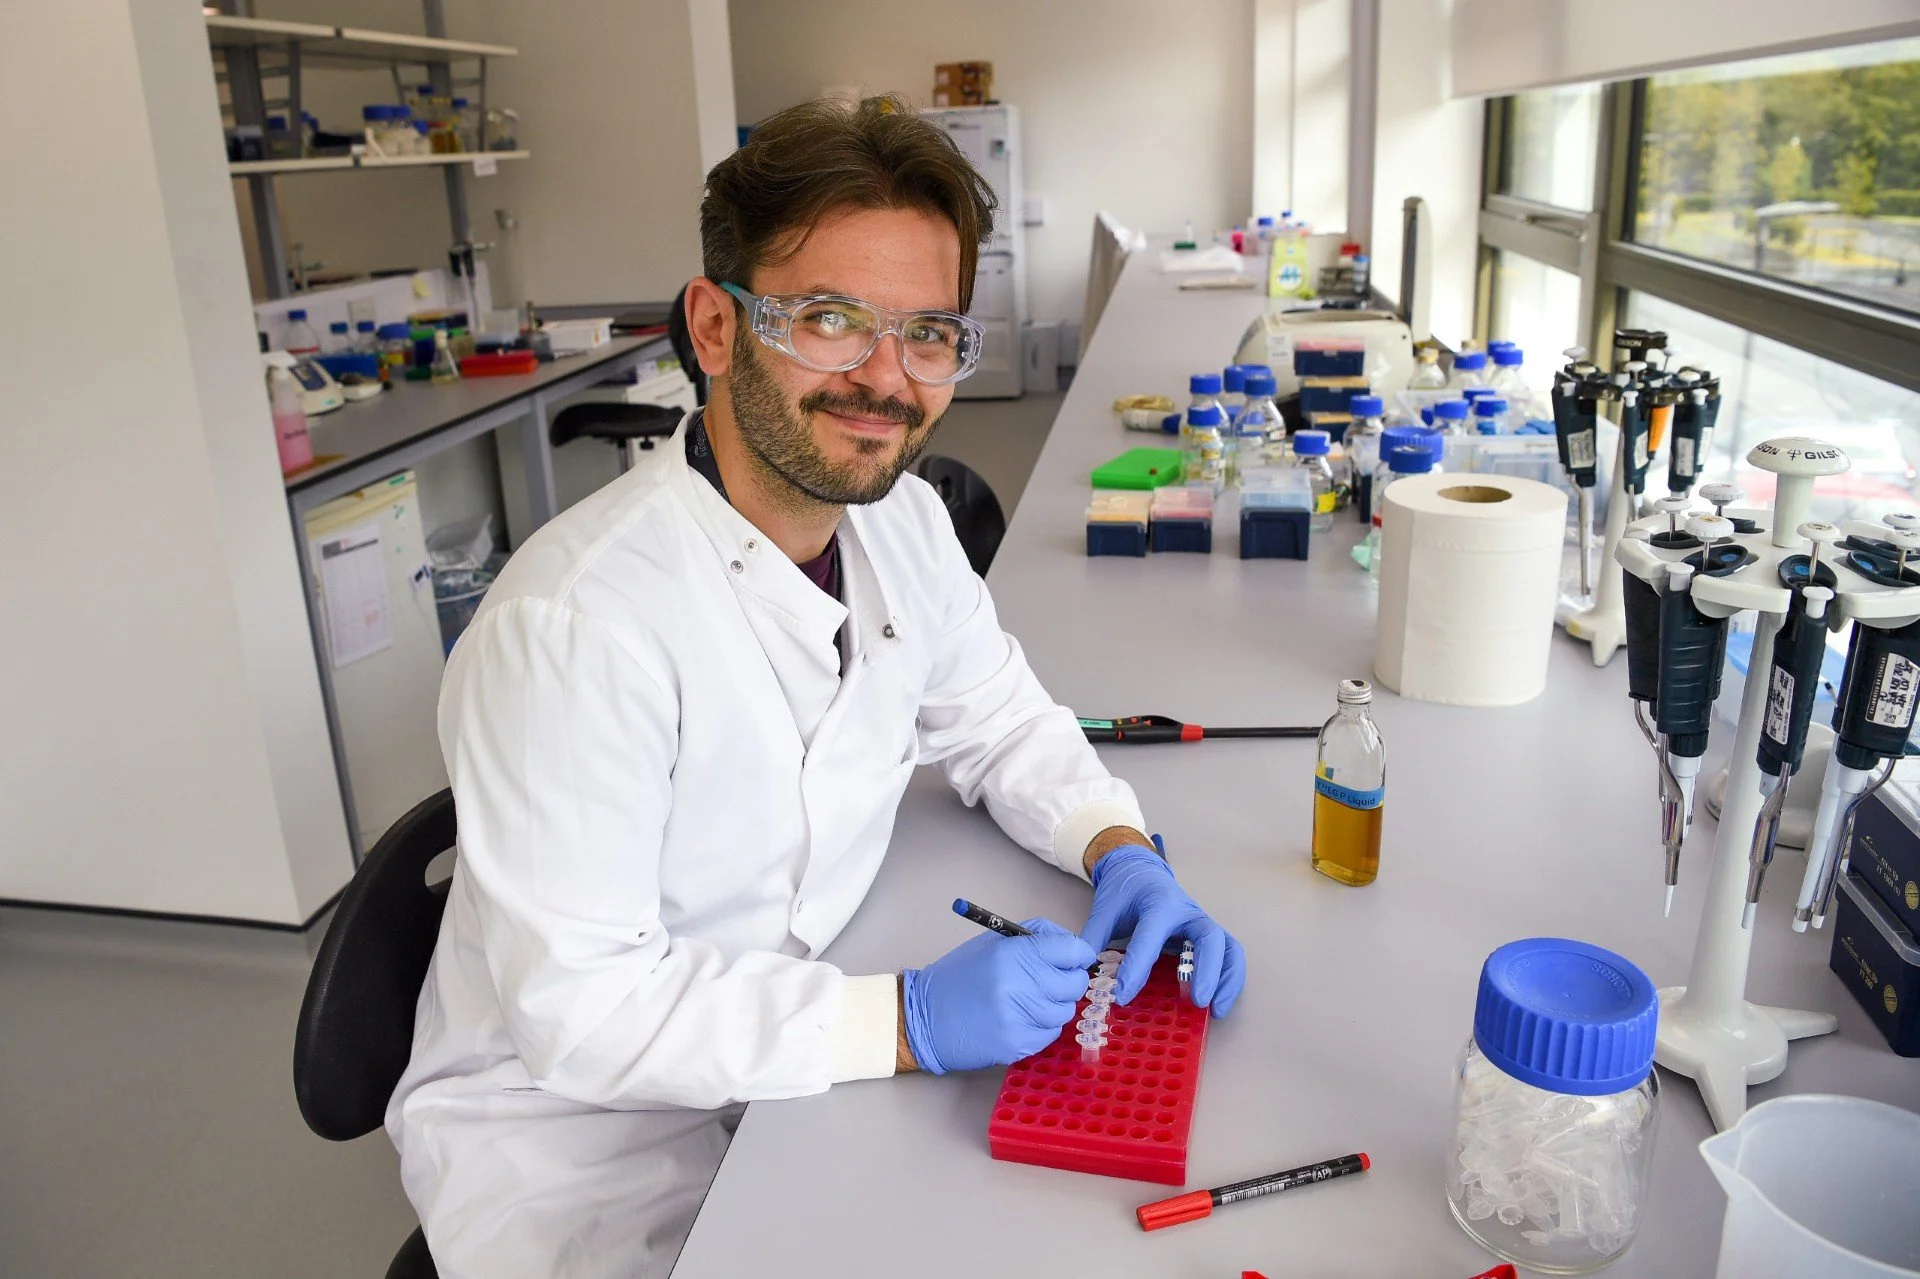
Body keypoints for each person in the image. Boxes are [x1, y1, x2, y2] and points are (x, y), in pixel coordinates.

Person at [386, 94, 1247, 1278]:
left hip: (806, 1065)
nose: (887, 380)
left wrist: (1118, 845)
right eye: (832, 320)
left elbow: (997, 718)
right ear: (717, 326)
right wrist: (906, 1020)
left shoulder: (903, 521)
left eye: (929, 332)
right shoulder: (576, 625)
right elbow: (584, 1014)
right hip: (586, 1149)